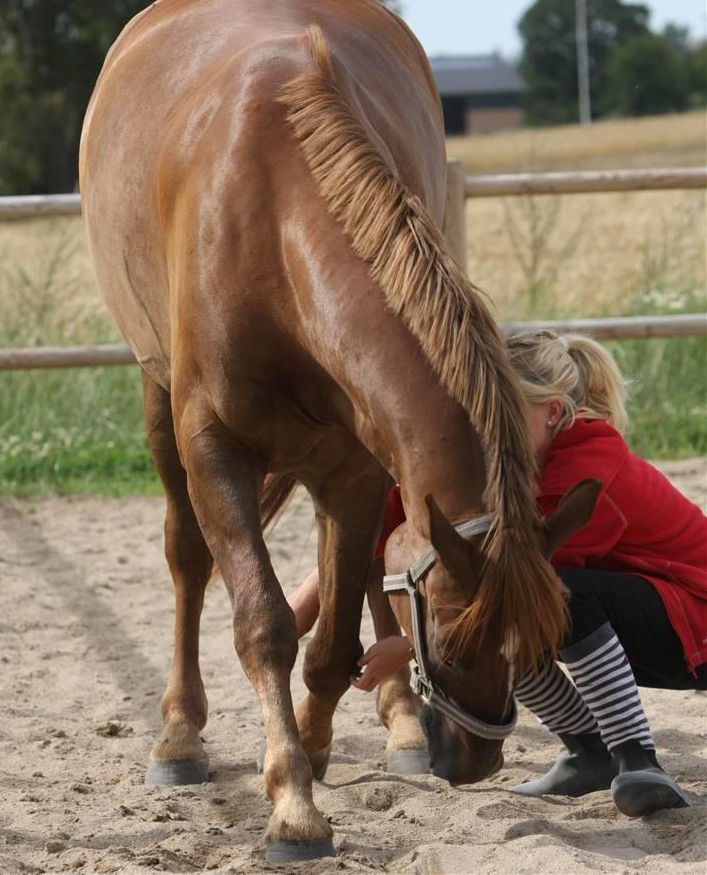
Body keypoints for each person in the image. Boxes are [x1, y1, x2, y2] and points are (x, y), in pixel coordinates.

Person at [287, 330, 707, 817]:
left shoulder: (590, 464)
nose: (486, 429)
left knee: (548, 599)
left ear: (551, 412)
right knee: (513, 620)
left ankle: (636, 759)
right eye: (481, 415)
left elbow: (507, 586)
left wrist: (408, 647)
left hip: (695, 623)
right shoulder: (515, 462)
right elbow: (389, 512)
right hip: (653, 623)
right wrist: (307, 602)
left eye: (504, 415)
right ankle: (588, 751)